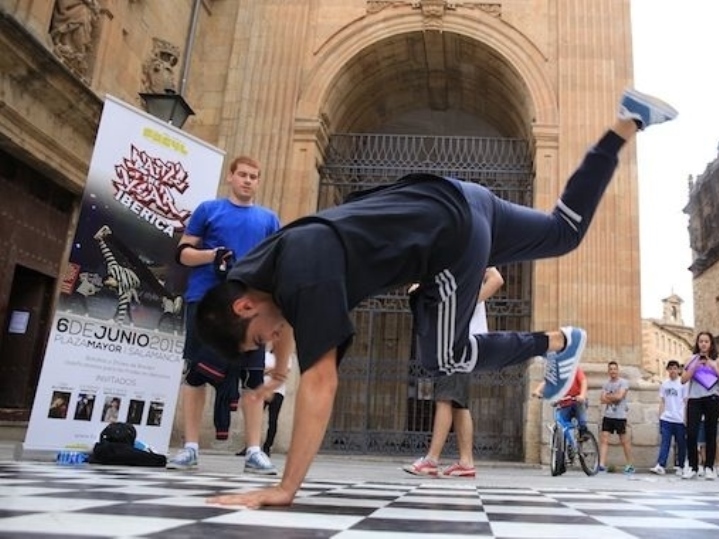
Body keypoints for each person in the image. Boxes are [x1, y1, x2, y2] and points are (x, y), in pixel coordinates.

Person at [196, 88, 678, 507]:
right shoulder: (251, 271)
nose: (274, 337)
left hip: (451, 238)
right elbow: (276, 317)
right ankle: (625, 123)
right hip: (464, 198)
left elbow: (321, 384)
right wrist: (279, 368)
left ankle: (555, 341)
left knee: (446, 357)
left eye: (263, 336)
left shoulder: (303, 274)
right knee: (562, 232)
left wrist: (286, 488)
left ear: (244, 307)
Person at [167, 156, 283, 475]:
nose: (248, 180)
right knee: (195, 373)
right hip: (206, 300)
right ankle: (190, 448)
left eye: (254, 176)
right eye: (243, 174)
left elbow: (278, 260)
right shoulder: (208, 210)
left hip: (251, 307)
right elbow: (183, 254)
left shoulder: (269, 219)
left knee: (254, 376)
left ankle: (255, 451)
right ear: (230, 177)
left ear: (258, 182)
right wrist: (212, 255)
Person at [404, 267, 504, 478]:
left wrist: (467, 304)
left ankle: (431, 460)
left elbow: (496, 279)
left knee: (445, 398)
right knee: (458, 403)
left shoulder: (469, 247)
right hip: (456, 338)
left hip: (458, 339)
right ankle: (466, 462)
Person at [681, 331, 719, 480]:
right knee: (691, 432)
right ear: (697, 343)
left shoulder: (717, 358)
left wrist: (712, 365)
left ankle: (709, 466)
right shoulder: (691, 359)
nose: (703, 344)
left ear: (711, 344)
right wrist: (695, 365)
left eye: (706, 341)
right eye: (701, 341)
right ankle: (693, 467)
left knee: (711, 432)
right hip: (695, 398)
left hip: (712, 397)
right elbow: (683, 380)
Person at [598, 361, 635, 475]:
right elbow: (602, 399)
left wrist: (609, 397)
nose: (613, 371)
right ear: (608, 371)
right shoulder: (606, 384)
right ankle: (601, 464)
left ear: (618, 370)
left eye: (615, 369)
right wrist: (612, 397)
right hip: (608, 415)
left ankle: (630, 464)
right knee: (604, 439)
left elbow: (620, 397)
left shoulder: (623, 382)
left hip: (620, 416)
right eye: (611, 369)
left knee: (624, 441)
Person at [651, 360, 686, 475]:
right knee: (665, 442)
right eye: (670, 368)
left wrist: (686, 418)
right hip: (667, 418)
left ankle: (681, 466)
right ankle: (661, 465)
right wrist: (660, 416)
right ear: (667, 370)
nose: (672, 371)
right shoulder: (665, 384)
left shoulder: (682, 383)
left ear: (678, 370)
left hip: (680, 418)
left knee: (681, 443)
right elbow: (662, 400)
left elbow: (686, 401)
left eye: (675, 368)